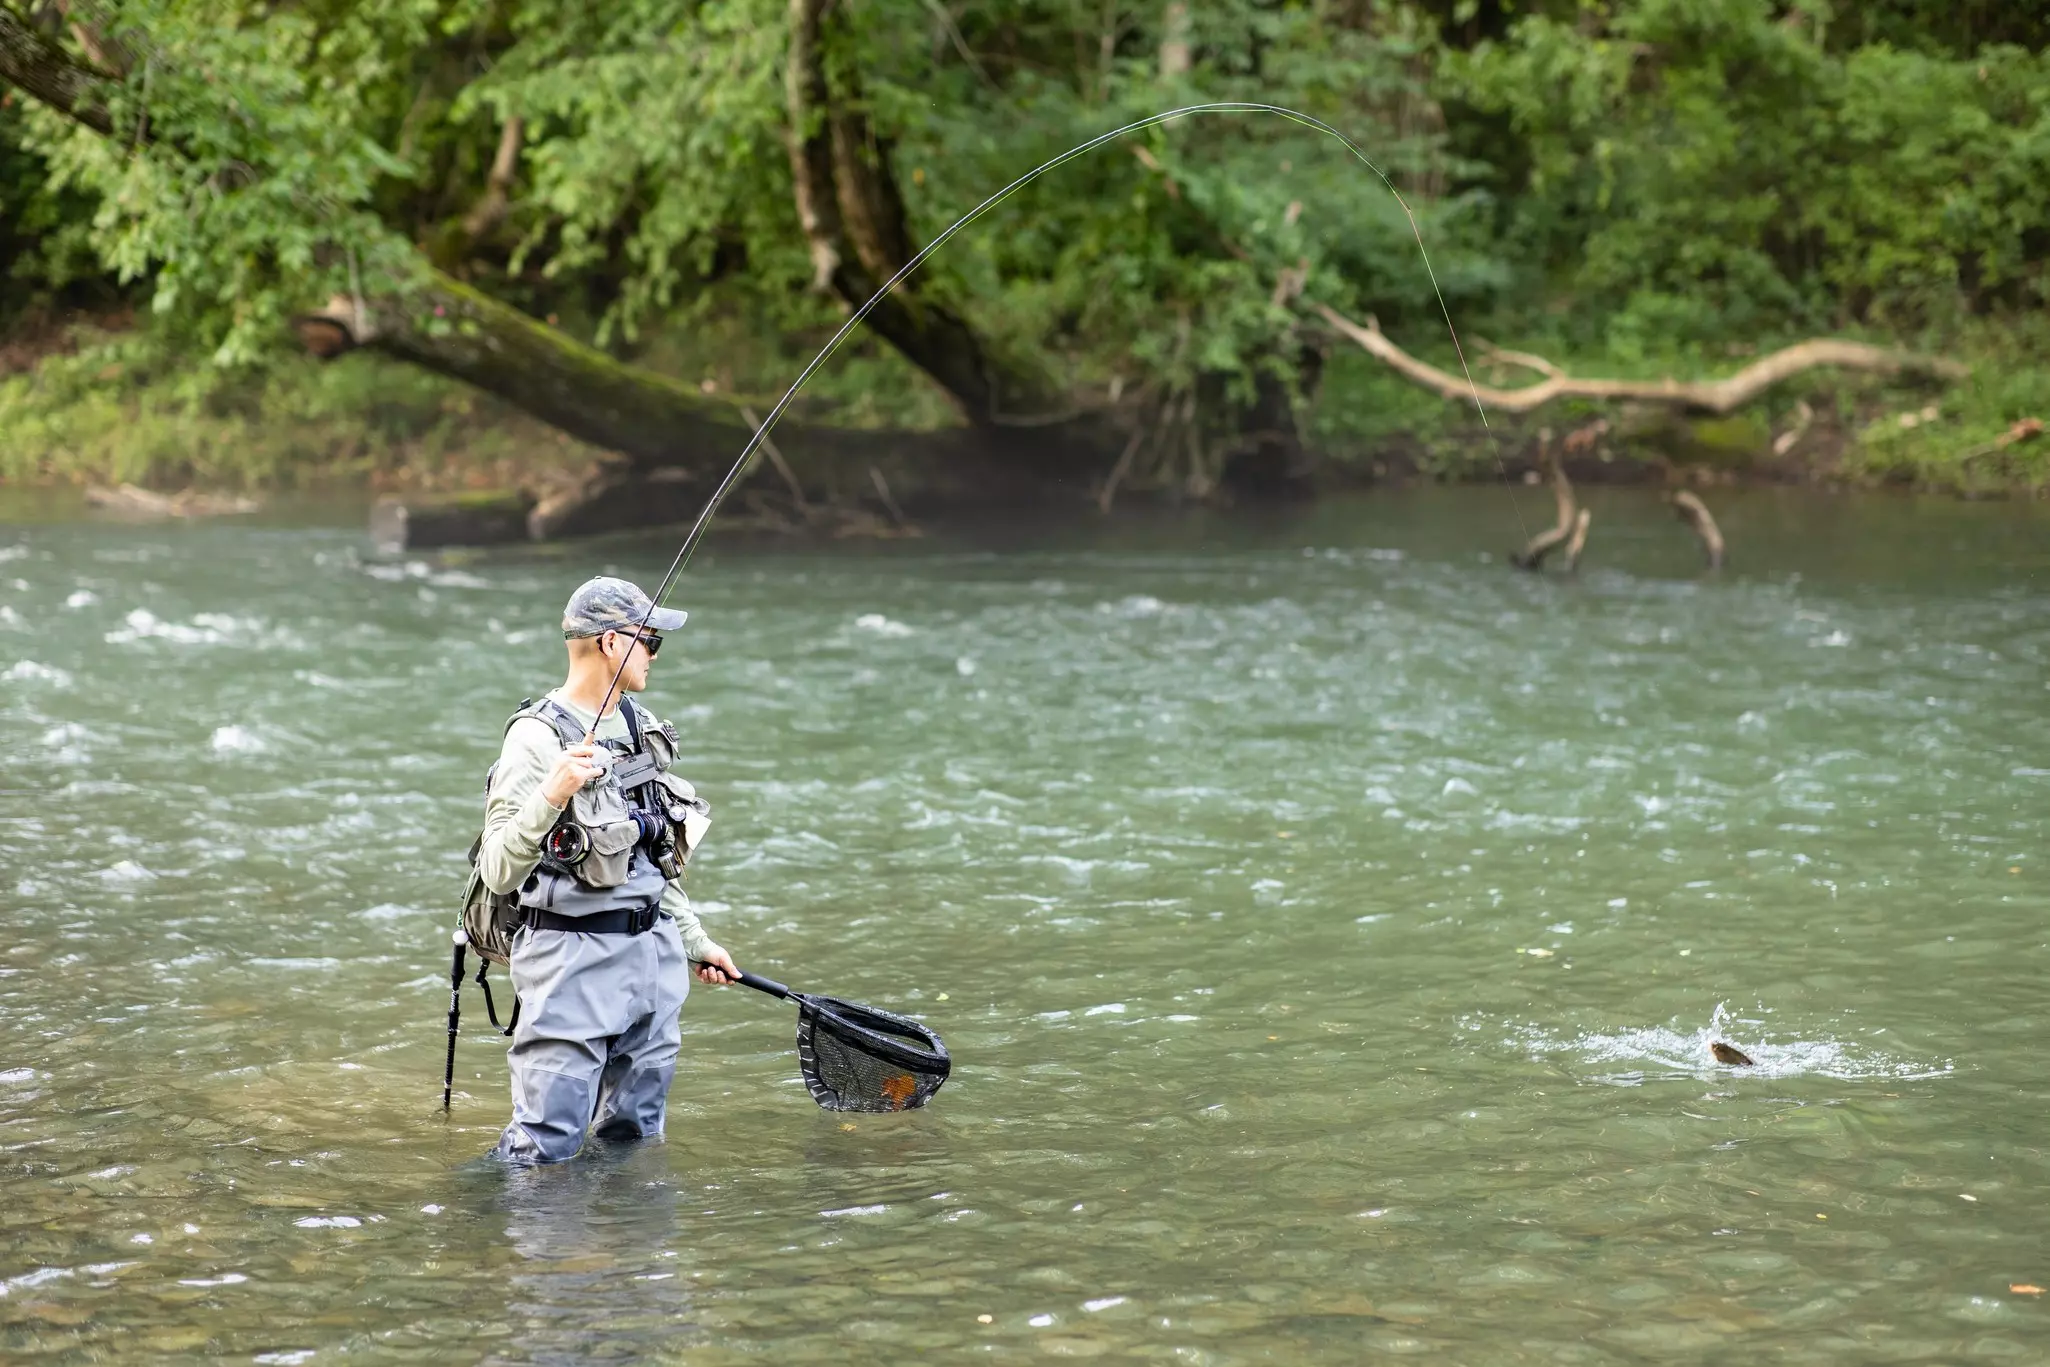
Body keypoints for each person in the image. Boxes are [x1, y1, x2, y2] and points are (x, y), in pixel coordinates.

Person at [474, 575, 741, 1164]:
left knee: (637, 1142)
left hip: (655, 962)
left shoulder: (641, 726)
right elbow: (496, 869)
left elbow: (655, 858)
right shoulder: (535, 738)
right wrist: (553, 792)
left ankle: (629, 1253)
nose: (655, 655)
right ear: (612, 643)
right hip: (570, 967)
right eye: (651, 641)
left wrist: (694, 941)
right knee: (545, 1150)